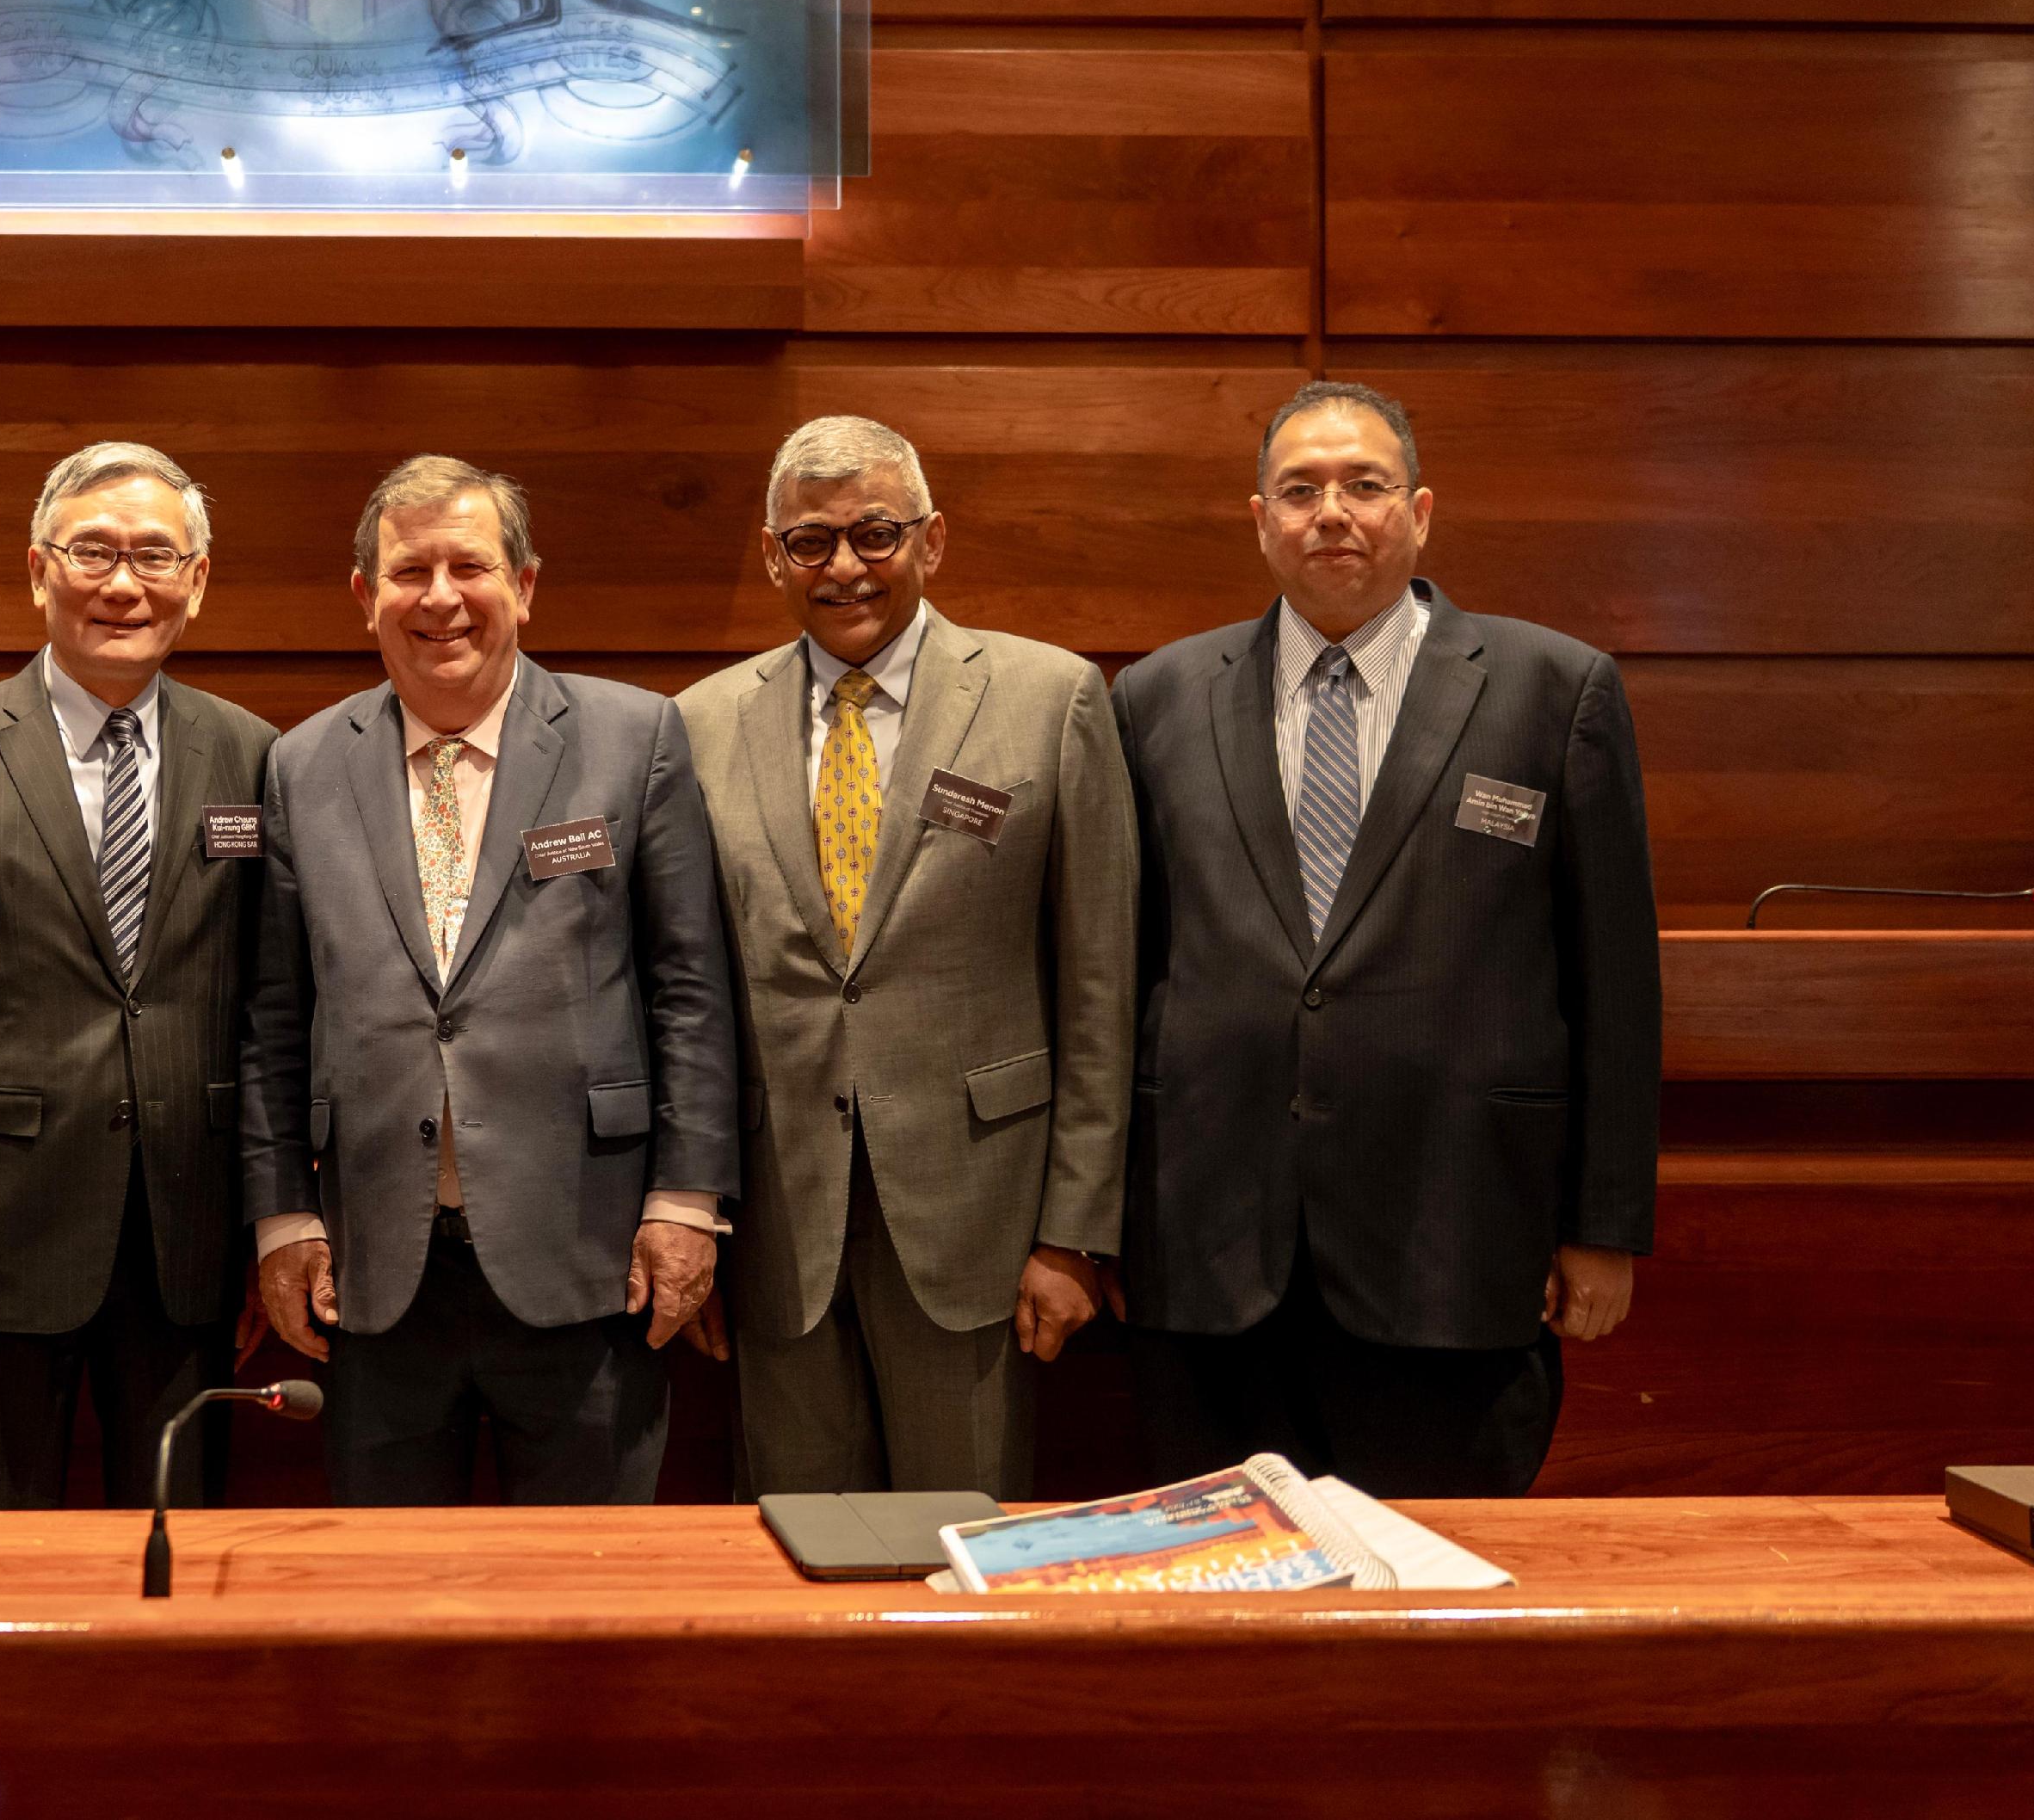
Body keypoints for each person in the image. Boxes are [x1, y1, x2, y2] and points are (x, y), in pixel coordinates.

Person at [1107, 382, 1661, 1497]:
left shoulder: (1553, 690)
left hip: (1452, 1238)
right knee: (1229, 1597)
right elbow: (1115, 975)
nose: (1332, 512)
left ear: (1420, 510)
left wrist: (1604, 1226)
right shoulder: (1157, 697)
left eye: (1363, 484)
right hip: (1210, 1253)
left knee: (1434, 1600)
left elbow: (1616, 987)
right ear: (1258, 518)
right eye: (1299, 489)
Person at [243, 454, 739, 1504]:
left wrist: (687, 1200)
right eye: (407, 569)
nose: (438, 597)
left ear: (524, 582)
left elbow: (688, 987)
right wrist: (284, 1217)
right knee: (391, 1600)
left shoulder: (632, 735)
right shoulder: (301, 763)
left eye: (468, 564)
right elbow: (276, 1014)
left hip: (589, 1252)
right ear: (361, 595)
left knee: (587, 1605)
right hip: (376, 1272)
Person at [679, 416, 1136, 1500]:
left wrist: (1077, 1232)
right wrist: (687, 1214)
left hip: (980, 1218)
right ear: (769, 554)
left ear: (933, 539)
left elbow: (1100, 983)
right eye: (810, 541)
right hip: (775, 1225)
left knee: (965, 1547)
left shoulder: (1048, 697)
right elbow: (681, 997)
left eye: (873, 533)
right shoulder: (696, 724)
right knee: (790, 1550)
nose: (843, 566)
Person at [0, 442, 276, 1508]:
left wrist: (272, 1220)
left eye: (153, 554)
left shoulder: (258, 756)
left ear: (199, 578)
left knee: (177, 1547)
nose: (122, 582)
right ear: (39, 569)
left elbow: (274, 1011)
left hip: (190, 1234)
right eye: (92, 550)